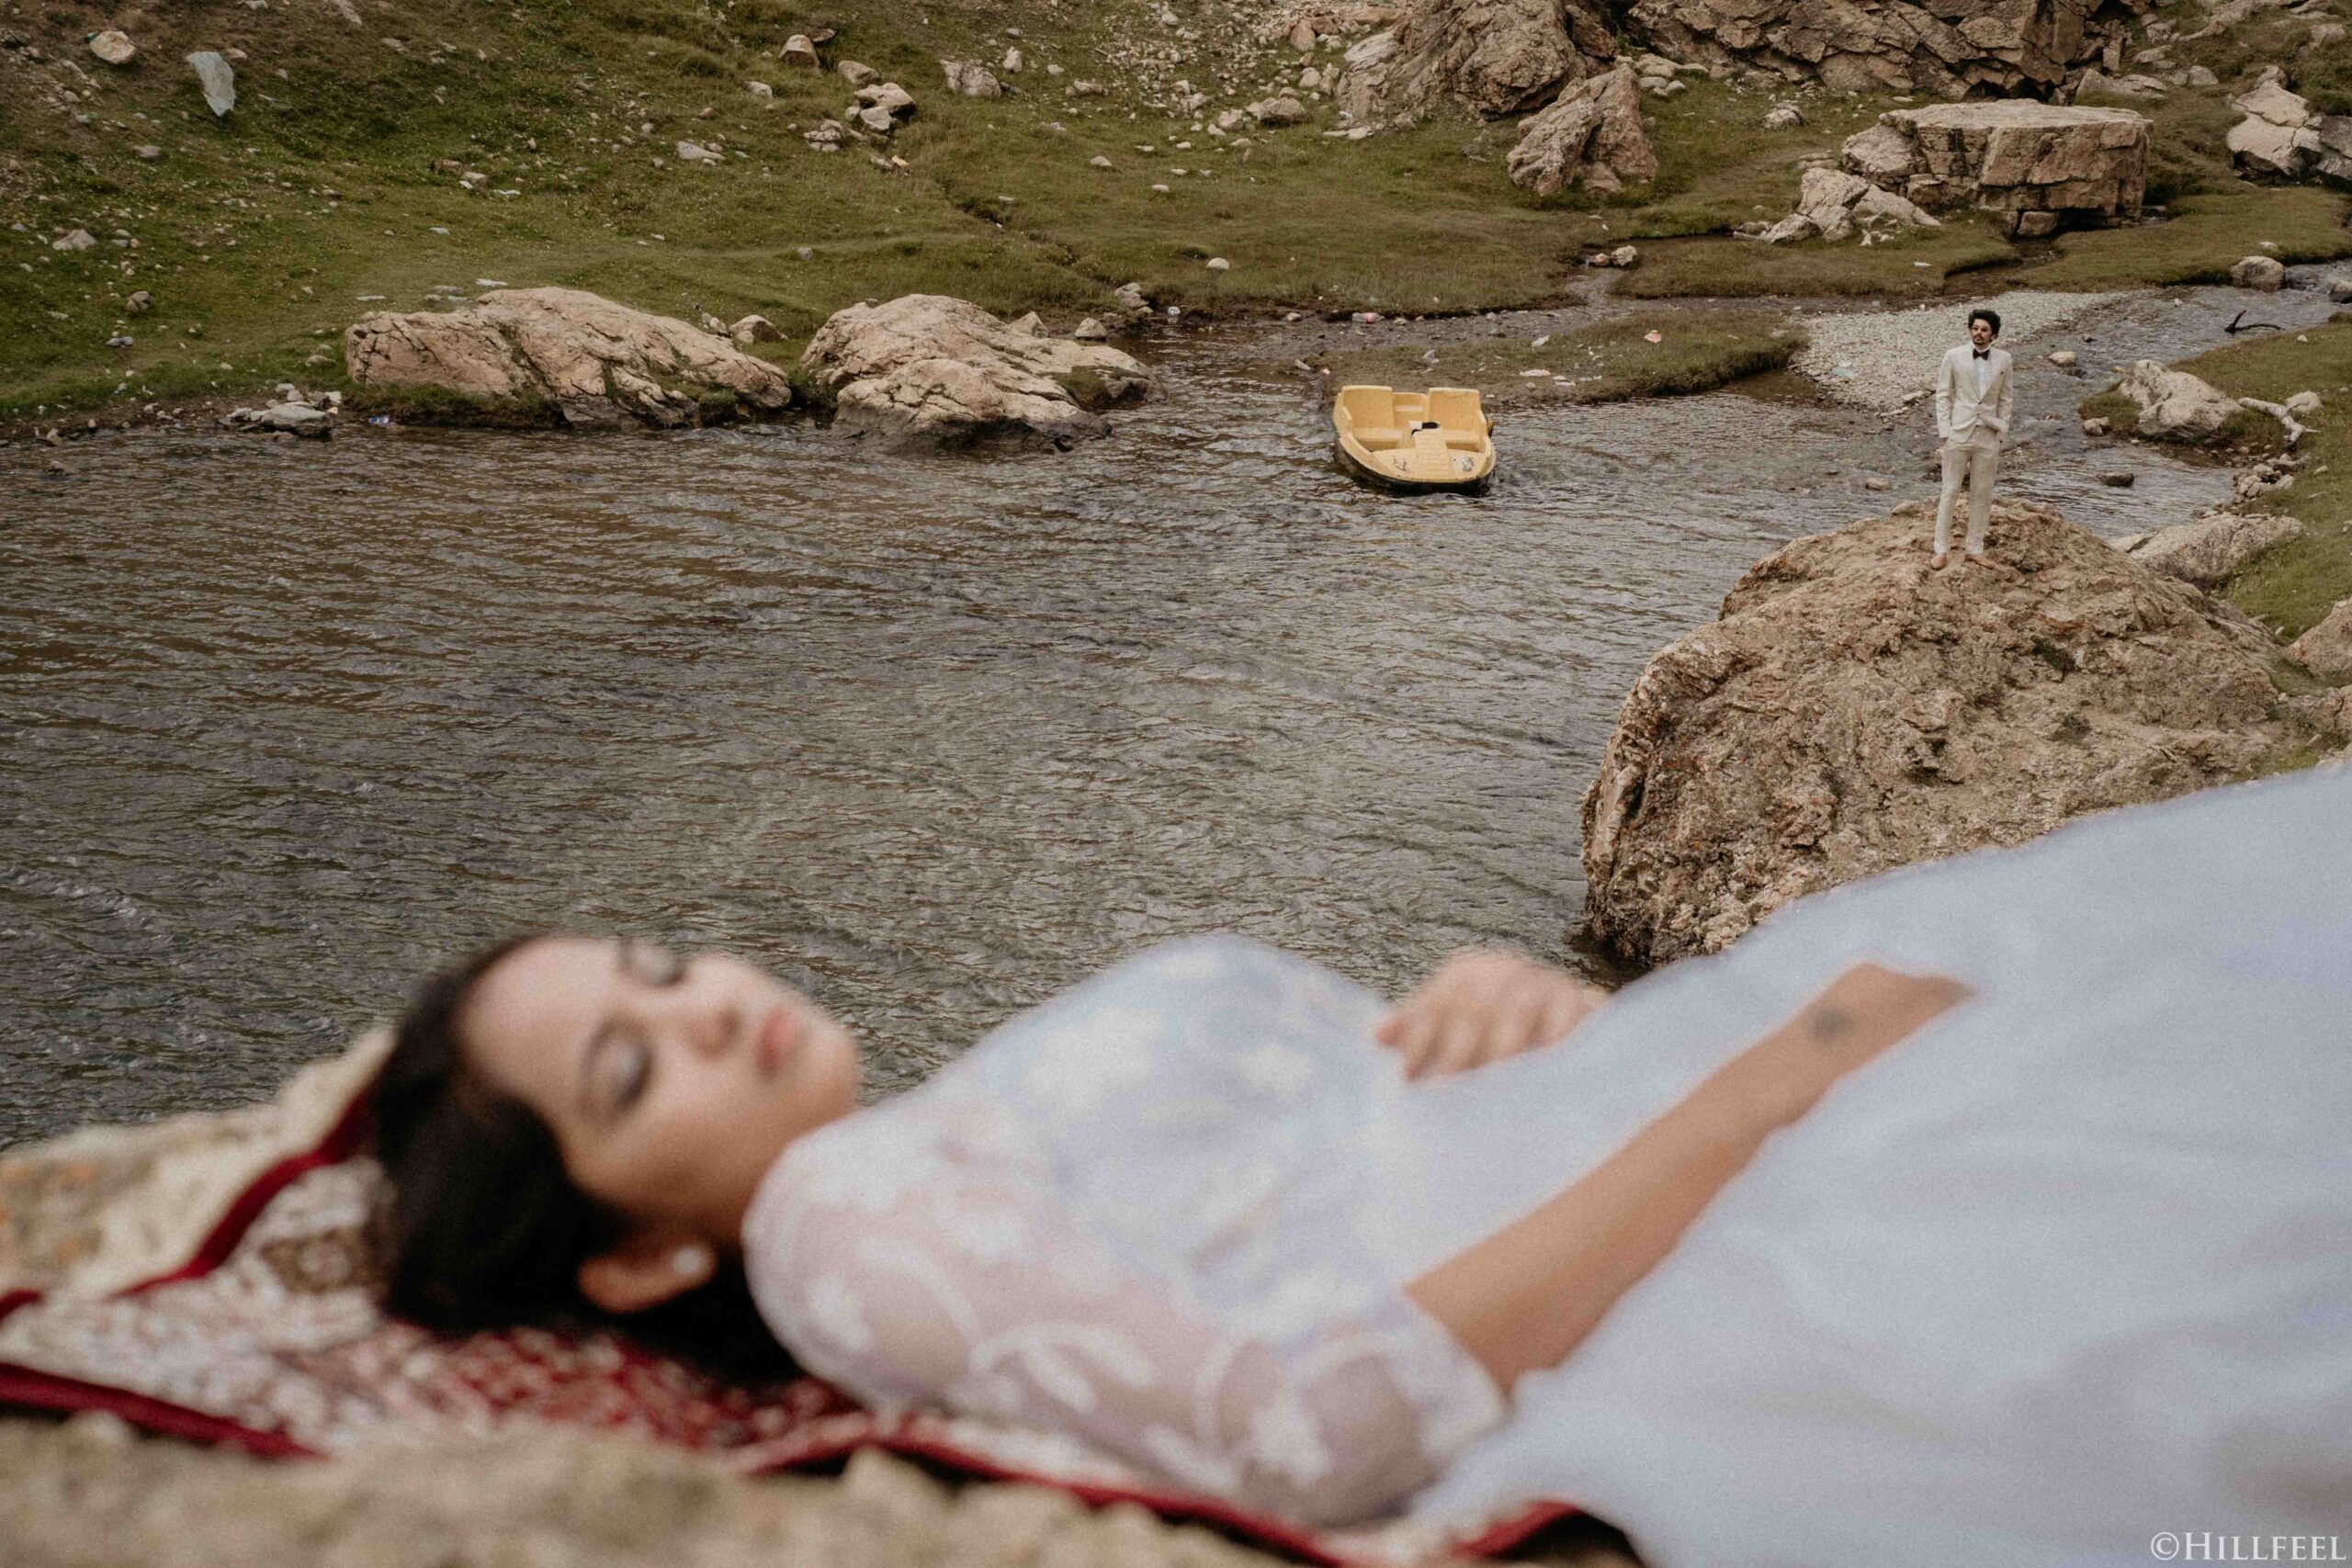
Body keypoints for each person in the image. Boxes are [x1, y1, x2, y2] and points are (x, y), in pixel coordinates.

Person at [368, 768, 2352, 1564]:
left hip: (1663, 1129)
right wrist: (1763, 1085)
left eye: (661, 965)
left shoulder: (932, 1138)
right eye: (631, 1067)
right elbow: (1313, 1421)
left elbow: (1310, 1140)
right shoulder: (833, 1219)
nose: (709, 1006)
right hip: (1717, 1238)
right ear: (632, 1259)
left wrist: (1499, 1002)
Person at [1931, 307, 2015, 570]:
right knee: (1950, 490)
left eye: (1984, 330)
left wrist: (2002, 430)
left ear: (1994, 335)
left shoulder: (2004, 359)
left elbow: (2006, 397)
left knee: (1982, 492)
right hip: (1959, 432)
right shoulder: (1953, 356)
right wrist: (1945, 431)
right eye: (1975, 328)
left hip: (1989, 434)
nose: (1978, 333)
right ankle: (1940, 549)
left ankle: (1974, 549)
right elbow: (1943, 394)